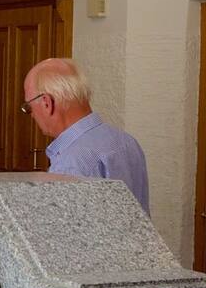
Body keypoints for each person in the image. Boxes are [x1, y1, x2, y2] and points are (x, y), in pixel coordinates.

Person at [21, 58, 150, 209]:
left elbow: (63, 230)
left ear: (46, 103)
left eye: (28, 108)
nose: (32, 115)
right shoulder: (127, 142)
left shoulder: (69, 166)